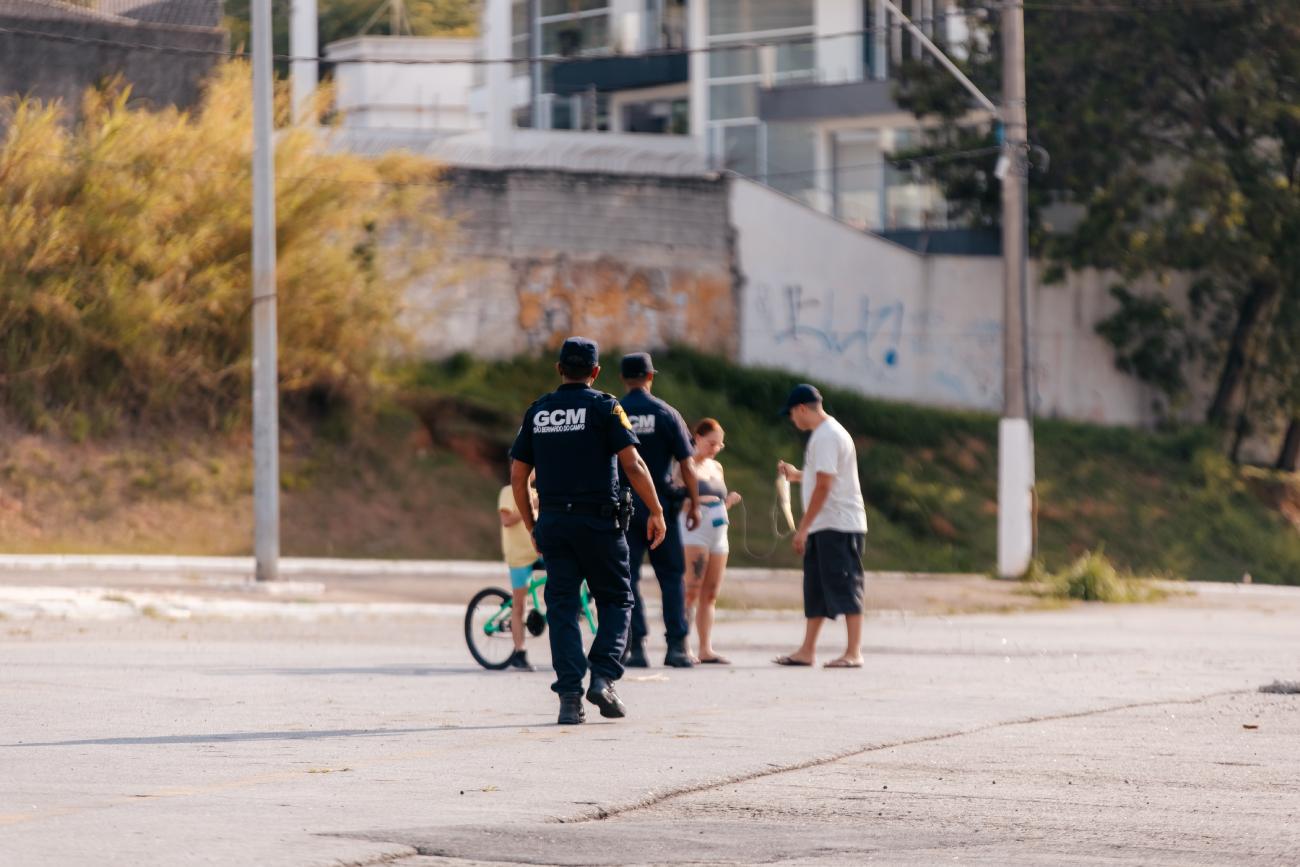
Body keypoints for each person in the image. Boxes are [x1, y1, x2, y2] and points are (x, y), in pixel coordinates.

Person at [509, 337, 667, 725]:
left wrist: (533, 525)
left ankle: (568, 698)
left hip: (554, 524)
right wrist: (657, 510)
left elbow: (517, 475)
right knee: (617, 599)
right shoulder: (605, 407)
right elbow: (633, 465)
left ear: (559, 368)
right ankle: (602, 676)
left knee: (562, 608)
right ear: (595, 372)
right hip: (599, 523)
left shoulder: (538, 411)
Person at [773, 384, 869, 669]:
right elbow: (821, 476)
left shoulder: (827, 435)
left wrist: (802, 527)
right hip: (825, 524)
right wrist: (796, 475)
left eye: (792, 414)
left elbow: (825, 486)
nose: (793, 420)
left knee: (847, 584)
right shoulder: (825, 434)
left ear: (802, 408)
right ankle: (807, 650)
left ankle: (854, 652)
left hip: (839, 524)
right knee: (815, 587)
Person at [617, 352, 701, 669]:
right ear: (651, 376)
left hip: (623, 509)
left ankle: (636, 646)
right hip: (660, 508)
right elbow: (687, 465)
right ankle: (677, 647)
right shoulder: (666, 413)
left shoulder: (616, 411)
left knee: (627, 576)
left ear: (625, 378)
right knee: (671, 576)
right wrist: (693, 502)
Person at [679, 418, 742, 665]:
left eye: (719, 445)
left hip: (718, 528)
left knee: (711, 592)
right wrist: (696, 502)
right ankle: (683, 645)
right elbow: (674, 498)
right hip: (693, 528)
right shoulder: (685, 465)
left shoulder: (717, 468)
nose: (714, 449)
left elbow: (717, 499)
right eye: (711, 443)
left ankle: (706, 647)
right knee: (691, 589)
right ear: (697, 437)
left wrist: (727, 503)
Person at [497, 469, 540, 671]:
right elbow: (506, 520)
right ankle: (519, 651)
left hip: (537, 553)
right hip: (519, 556)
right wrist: (531, 507)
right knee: (519, 605)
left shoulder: (537, 494)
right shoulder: (509, 491)